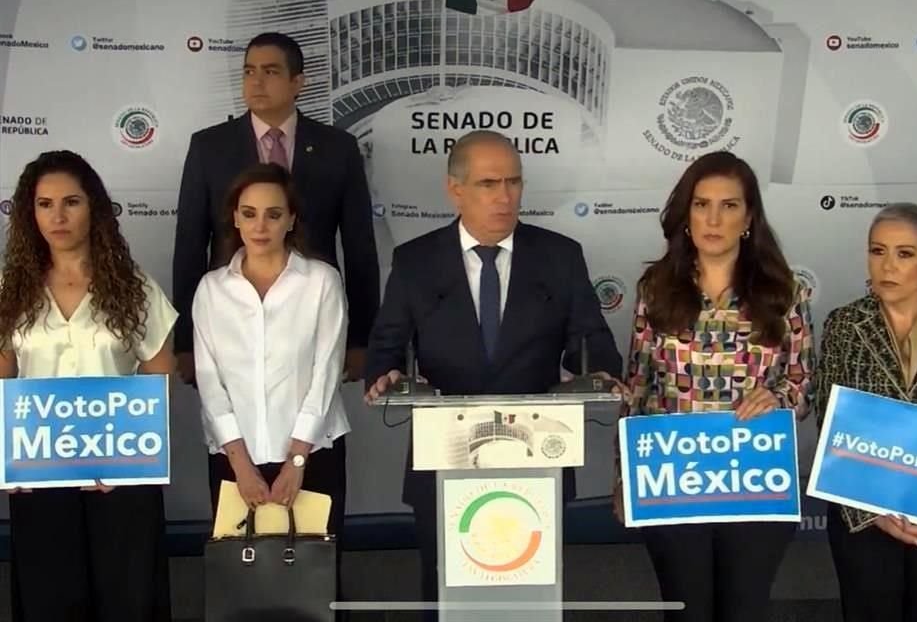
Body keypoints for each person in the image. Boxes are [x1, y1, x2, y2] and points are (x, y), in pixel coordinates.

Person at [364, 130, 623, 620]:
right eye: (488, 184)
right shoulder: (416, 261)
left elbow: (592, 341)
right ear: (454, 189)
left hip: (534, 462)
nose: (504, 196)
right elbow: (385, 348)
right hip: (443, 463)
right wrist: (386, 376)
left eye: (513, 182)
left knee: (527, 592)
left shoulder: (559, 256)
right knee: (444, 594)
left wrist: (602, 374)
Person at [613, 151, 815, 622]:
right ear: (686, 213)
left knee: (743, 611)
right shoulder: (656, 289)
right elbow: (638, 388)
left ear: (749, 218)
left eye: (729, 206)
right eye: (702, 204)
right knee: (688, 612)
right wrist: (624, 477)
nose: (713, 219)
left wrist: (779, 396)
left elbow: (804, 381)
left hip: (755, 481)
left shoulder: (784, 291)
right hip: (674, 481)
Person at [0, 150, 177, 622]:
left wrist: (127, 453)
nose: (57, 216)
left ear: (94, 208)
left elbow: (160, 372)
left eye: (71, 202)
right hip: (39, 480)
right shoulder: (10, 291)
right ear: (29, 212)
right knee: (49, 602)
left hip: (121, 481)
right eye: (44, 204)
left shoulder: (134, 286)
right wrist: (9, 459)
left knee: (128, 600)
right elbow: (2, 379)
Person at [173, 31, 379, 390]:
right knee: (233, 431)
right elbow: (190, 246)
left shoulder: (338, 148)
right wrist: (186, 341)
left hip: (313, 321)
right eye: (249, 71)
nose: (256, 82)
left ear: (297, 82)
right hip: (230, 319)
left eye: (269, 71)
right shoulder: (209, 147)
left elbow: (360, 248)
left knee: (315, 430)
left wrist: (362, 339)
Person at [192, 162, 349, 604]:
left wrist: (296, 461)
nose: (260, 225)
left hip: (312, 455)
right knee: (243, 585)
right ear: (235, 218)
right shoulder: (211, 290)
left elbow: (326, 372)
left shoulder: (321, 282)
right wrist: (240, 465)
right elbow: (209, 380)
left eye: (273, 214)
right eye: (249, 213)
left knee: (313, 583)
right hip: (233, 459)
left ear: (292, 219)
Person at [813, 203, 917, 622]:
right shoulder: (844, 324)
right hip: (864, 517)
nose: (888, 266)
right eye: (878, 251)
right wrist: (872, 512)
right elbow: (829, 421)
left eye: (904, 253)